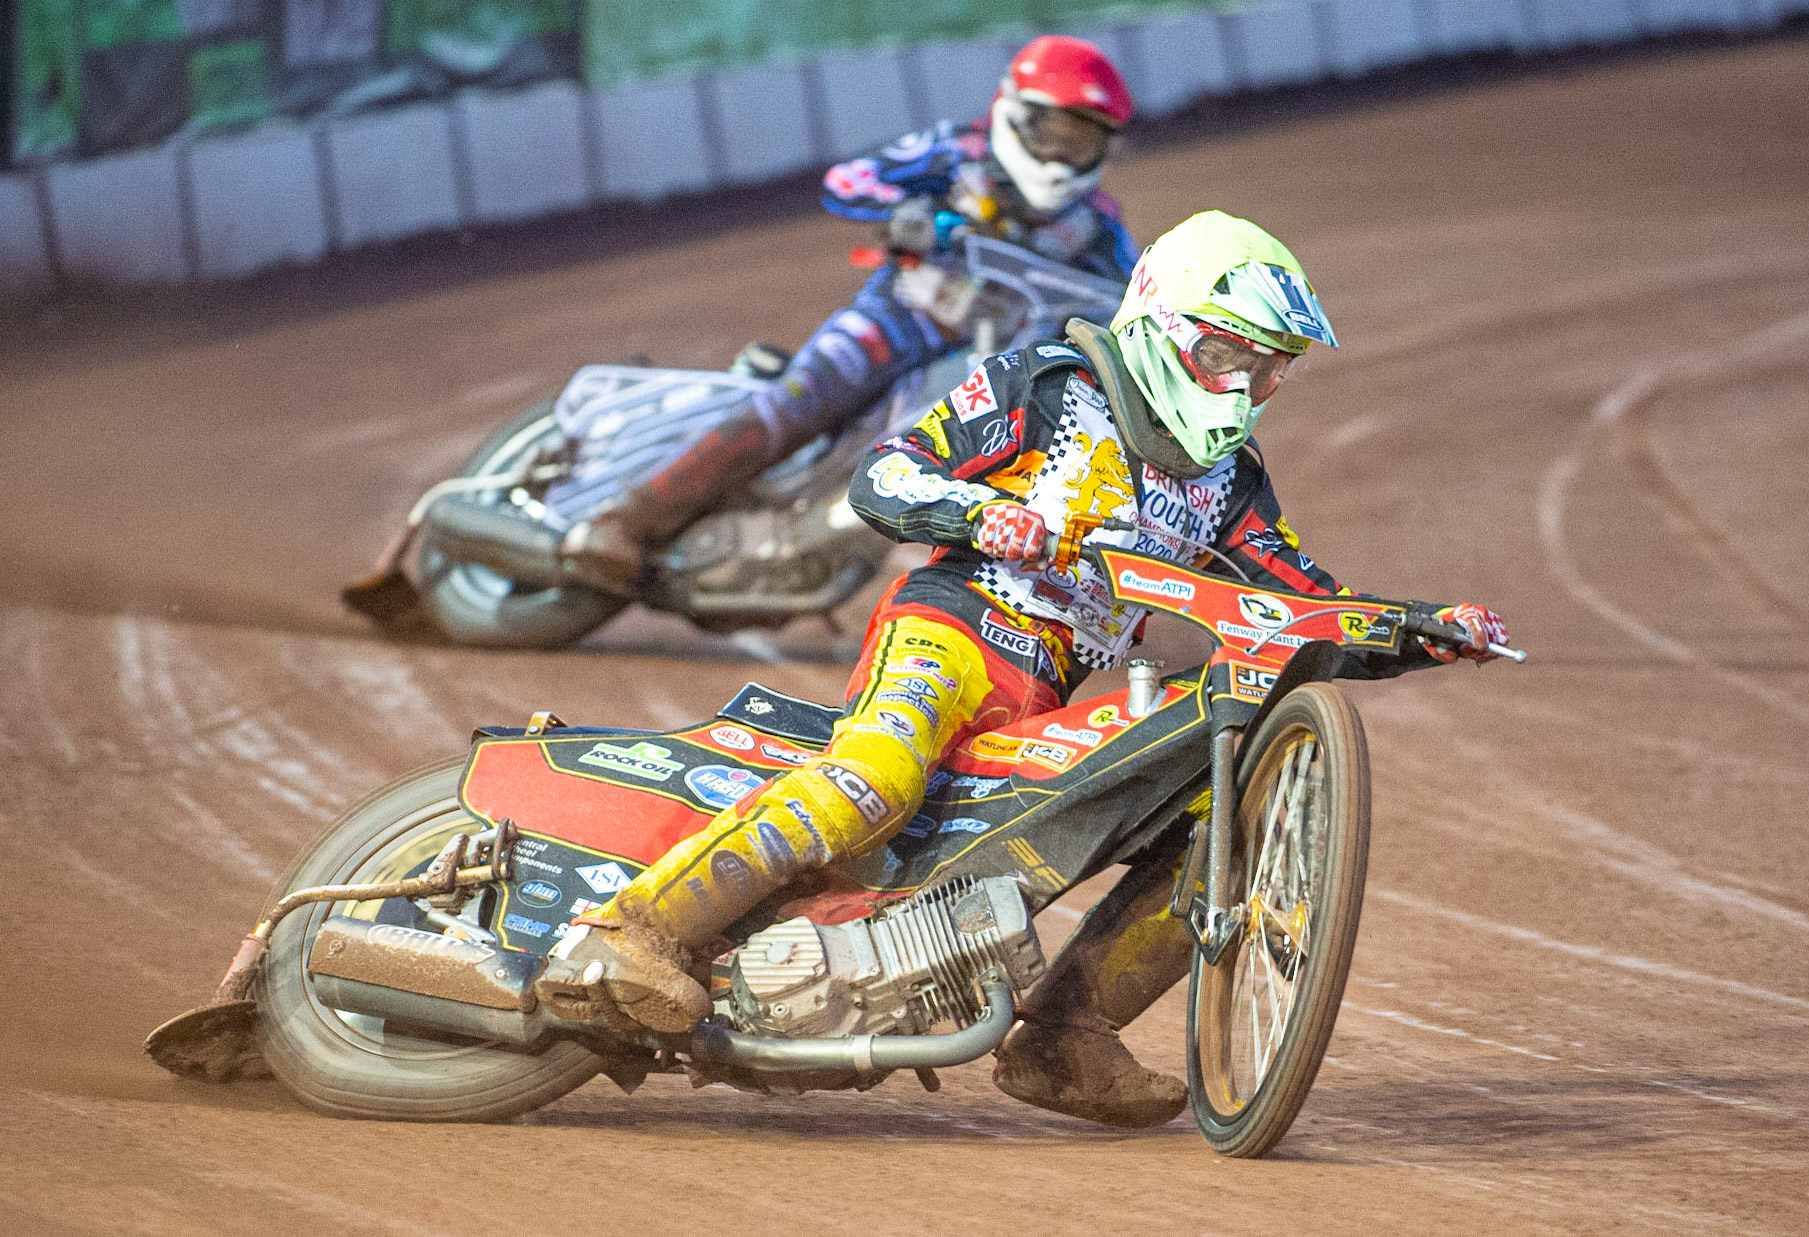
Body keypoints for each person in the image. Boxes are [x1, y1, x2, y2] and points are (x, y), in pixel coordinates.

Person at [537, 211, 1511, 1128]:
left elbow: (1300, 605)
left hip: (1045, 687)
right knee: (877, 775)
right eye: (1229, 355)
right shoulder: (1051, 385)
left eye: (1270, 370)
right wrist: (977, 515)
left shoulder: (1230, 481)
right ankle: (634, 929)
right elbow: (886, 474)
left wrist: (1426, 628)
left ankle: (1065, 1037)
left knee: (1219, 819)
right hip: (953, 628)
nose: (1248, 387)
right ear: (1165, 325)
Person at [562, 34, 1140, 586]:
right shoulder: (955, 151)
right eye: (1053, 131)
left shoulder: (1098, 225)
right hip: (898, 320)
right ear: (1013, 112)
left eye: (1082, 139)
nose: (1062, 154)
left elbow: (1133, 296)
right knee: (795, 405)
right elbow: (848, 180)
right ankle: (622, 522)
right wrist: (913, 208)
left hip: (991, 353)